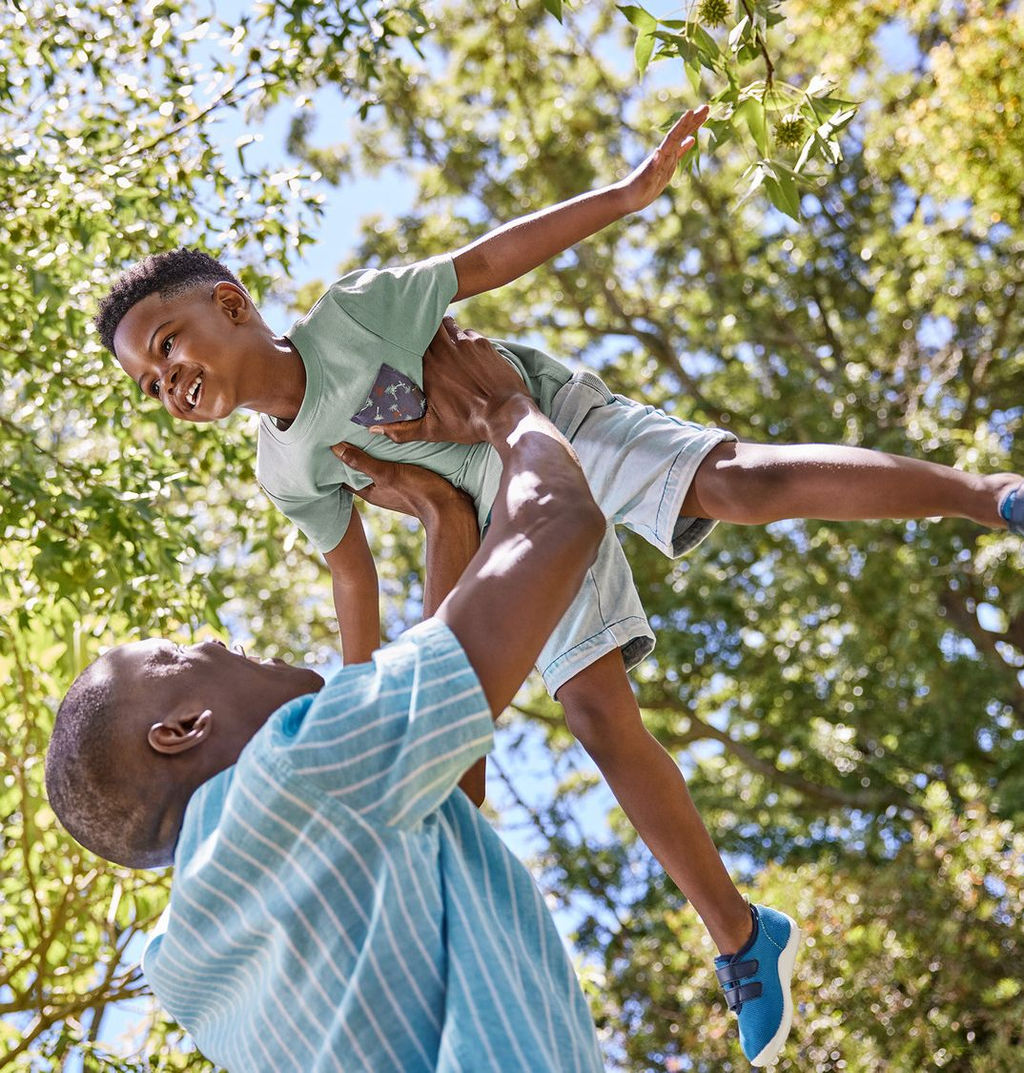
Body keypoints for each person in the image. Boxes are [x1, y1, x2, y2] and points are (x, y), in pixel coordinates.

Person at [93, 105, 1023, 1065]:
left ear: (233, 305)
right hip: (507, 525)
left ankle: (985, 496)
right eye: (150, 384)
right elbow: (352, 580)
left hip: (549, 423)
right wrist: (368, 722)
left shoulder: (355, 313)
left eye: (168, 346)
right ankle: (743, 935)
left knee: (738, 483)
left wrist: (625, 196)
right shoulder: (284, 470)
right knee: (594, 716)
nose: (169, 382)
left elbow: (486, 262)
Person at [46, 323, 612, 1072]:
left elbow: (443, 796)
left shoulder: (191, 967)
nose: (216, 640)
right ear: (182, 727)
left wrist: (446, 516)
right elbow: (561, 526)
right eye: (180, 654)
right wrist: (504, 411)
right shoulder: (297, 769)